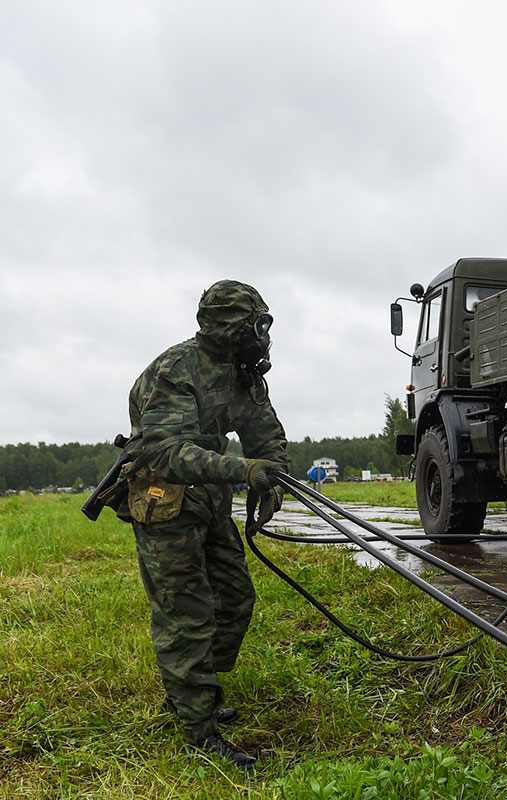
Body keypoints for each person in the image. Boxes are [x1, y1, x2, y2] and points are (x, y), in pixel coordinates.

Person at [117, 280, 288, 768]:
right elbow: (164, 451)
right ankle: (198, 729)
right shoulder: (175, 370)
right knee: (186, 612)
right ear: (231, 326)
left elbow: (265, 435)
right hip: (164, 500)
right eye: (256, 324)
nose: (263, 335)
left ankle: (195, 696)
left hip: (209, 499)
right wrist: (243, 470)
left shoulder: (242, 375)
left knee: (235, 599)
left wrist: (271, 479)